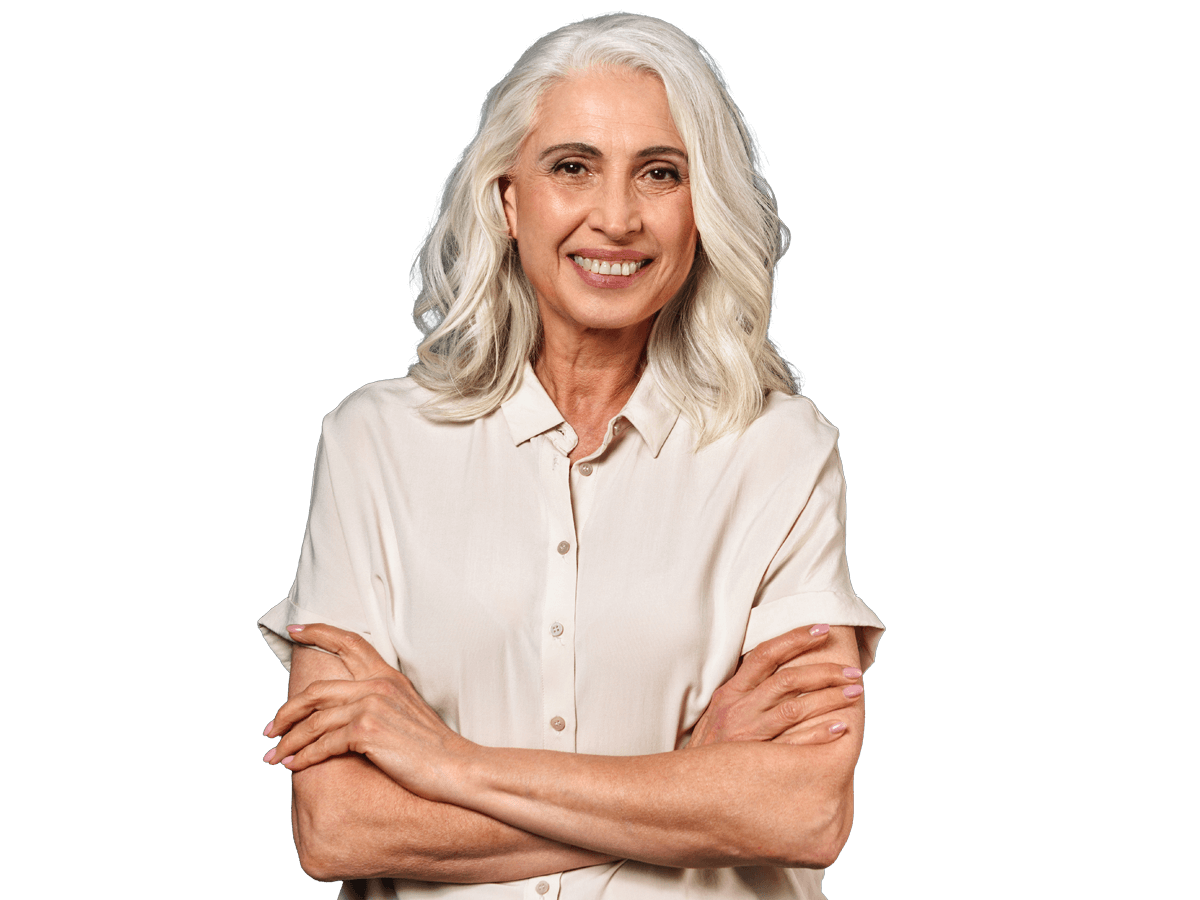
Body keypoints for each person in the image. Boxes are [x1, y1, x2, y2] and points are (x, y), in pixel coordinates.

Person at [258, 12, 884, 899]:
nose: (618, 218)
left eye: (660, 174)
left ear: (701, 209)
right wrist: (688, 783)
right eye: (572, 167)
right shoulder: (373, 443)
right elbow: (339, 828)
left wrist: (444, 761)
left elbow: (800, 815)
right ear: (510, 200)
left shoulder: (783, 452)